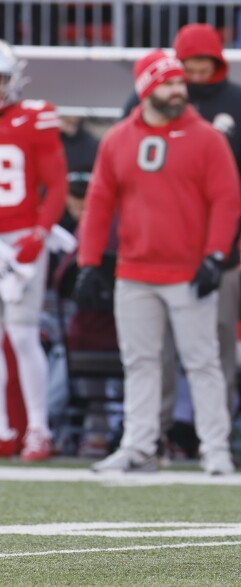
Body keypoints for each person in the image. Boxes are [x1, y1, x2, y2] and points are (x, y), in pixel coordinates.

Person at [77, 50, 241, 474]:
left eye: (179, 83)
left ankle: (215, 448)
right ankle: (139, 446)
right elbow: (98, 203)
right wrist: (88, 262)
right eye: (168, 83)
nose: (178, 90)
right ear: (146, 89)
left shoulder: (207, 137)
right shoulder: (117, 138)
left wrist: (215, 256)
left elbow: (227, 201)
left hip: (188, 271)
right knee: (140, 363)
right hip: (134, 272)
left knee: (202, 362)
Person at [123, 24, 241, 438]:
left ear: (218, 62)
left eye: (206, 65)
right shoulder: (145, 99)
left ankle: (217, 435)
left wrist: (226, 234)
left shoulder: (240, 102)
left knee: (216, 348)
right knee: (154, 350)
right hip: (157, 251)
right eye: (191, 66)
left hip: (218, 251)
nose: (198, 75)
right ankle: (156, 434)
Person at [0, 40, 67, 461]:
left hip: (22, 237)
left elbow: (56, 184)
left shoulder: (34, 118)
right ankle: (4, 427)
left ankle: (38, 429)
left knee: (23, 335)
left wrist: (40, 234)